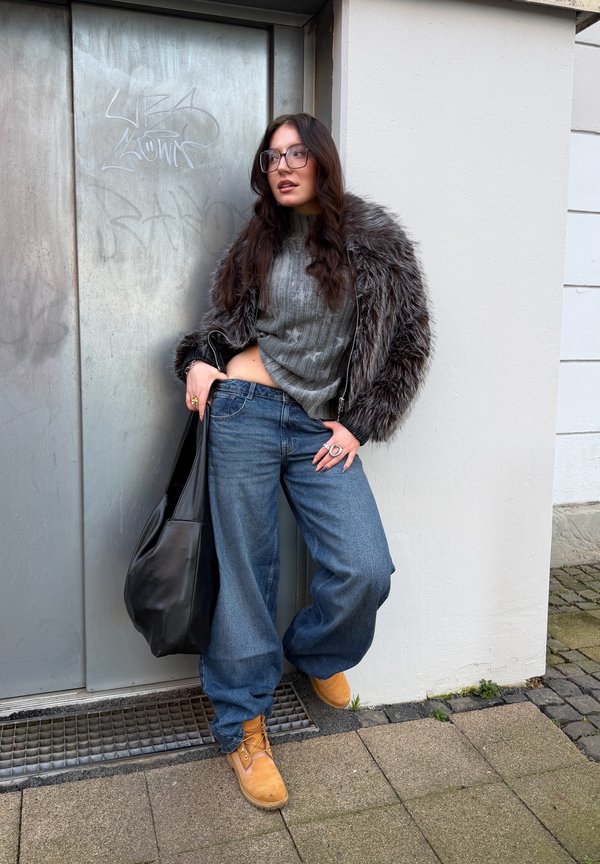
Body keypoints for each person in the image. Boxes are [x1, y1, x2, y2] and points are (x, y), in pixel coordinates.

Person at [174, 113, 431, 810]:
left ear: (322, 161)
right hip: (245, 416)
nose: (282, 166)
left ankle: (316, 654)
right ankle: (243, 725)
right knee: (247, 577)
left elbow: (409, 343)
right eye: (271, 156)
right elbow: (221, 329)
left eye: (296, 154)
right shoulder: (254, 244)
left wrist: (361, 424)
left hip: (323, 431)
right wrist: (200, 365)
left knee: (363, 568)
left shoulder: (373, 242)